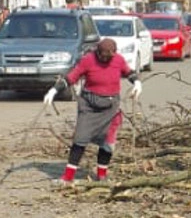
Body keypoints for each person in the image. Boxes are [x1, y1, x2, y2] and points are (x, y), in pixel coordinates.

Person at [43, 38, 143, 185]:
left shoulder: (118, 60)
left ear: (114, 54)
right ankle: (68, 177)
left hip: (110, 107)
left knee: (108, 142)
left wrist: (137, 83)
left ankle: (102, 175)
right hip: (89, 105)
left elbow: (129, 73)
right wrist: (53, 91)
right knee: (80, 138)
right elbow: (71, 77)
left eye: (109, 56)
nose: (105, 59)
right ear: (97, 52)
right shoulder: (88, 60)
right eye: (102, 56)